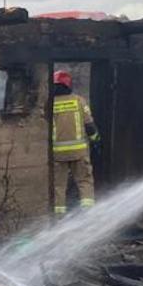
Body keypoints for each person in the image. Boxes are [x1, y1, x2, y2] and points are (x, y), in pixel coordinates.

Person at [49, 70, 99, 216]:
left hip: (57, 154)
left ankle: (59, 219)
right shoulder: (78, 101)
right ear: (68, 85)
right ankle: (88, 214)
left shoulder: (50, 104)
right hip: (79, 152)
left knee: (58, 186)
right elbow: (90, 126)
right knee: (85, 181)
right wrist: (96, 141)